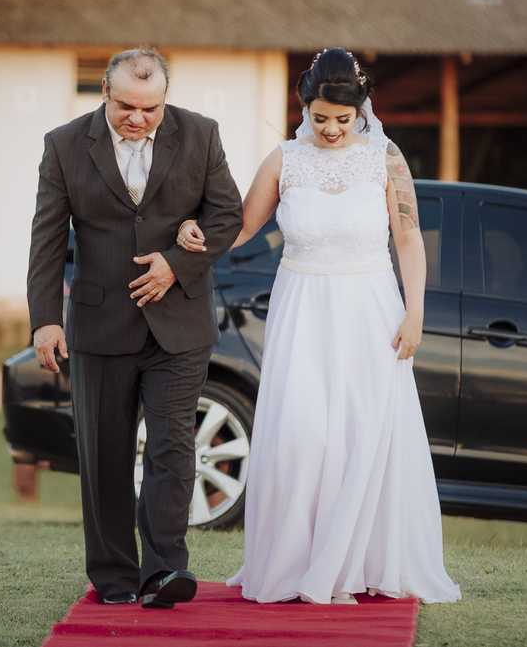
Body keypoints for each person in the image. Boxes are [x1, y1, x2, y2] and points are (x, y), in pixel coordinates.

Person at [178, 48, 461, 605]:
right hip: (303, 309)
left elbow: (407, 237)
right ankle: (297, 560)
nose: (331, 129)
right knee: (305, 435)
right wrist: (195, 236)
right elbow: (238, 228)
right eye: (320, 117)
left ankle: (362, 564)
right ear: (304, 106)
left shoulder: (386, 158)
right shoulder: (284, 159)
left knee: (363, 435)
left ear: (362, 110)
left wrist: (416, 311)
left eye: (342, 118)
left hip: (370, 309)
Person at [27, 49, 243, 608]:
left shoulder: (200, 134)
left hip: (180, 324)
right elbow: (47, 238)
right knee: (105, 454)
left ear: (164, 99)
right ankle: (116, 577)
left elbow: (227, 215)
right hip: (99, 325)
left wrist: (178, 262)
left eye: (151, 108)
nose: (138, 118)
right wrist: (46, 320)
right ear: (104, 90)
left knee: (173, 445)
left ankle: (164, 571)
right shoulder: (64, 145)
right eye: (126, 106)